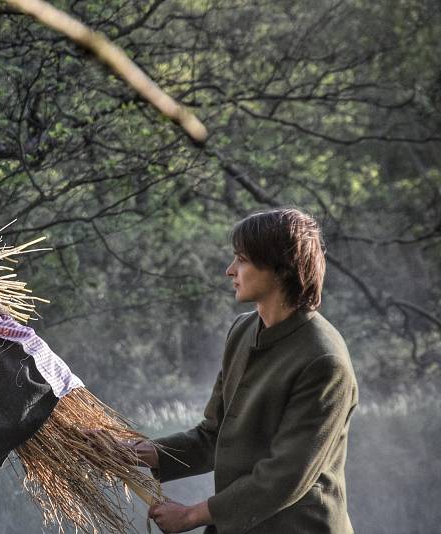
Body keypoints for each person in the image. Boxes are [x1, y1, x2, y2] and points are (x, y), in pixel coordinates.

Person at [137, 208, 358, 533]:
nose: (230, 270)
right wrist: (140, 454)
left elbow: (285, 476)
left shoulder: (325, 361)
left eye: (242, 259)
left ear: (281, 269)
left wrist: (191, 515)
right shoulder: (241, 331)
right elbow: (214, 437)